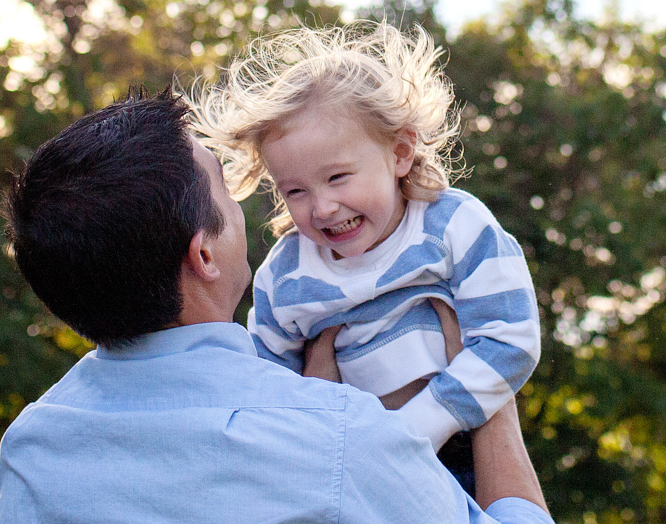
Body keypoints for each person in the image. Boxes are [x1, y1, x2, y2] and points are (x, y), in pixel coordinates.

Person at [0, 89, 582, 524]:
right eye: (227, 190)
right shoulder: (341, 439)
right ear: (203, 255)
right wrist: (492, 406)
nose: (311, 210)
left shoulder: (30, 451)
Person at [192, 25, 538, 488]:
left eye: (337, 178)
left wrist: (420, 426)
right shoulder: (286, 274)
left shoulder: (453, 225)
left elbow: (510, 338)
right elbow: (269, 383)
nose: (322, 207)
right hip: (351, 467)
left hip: (464, 446)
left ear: (399, 153)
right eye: (294, 190)